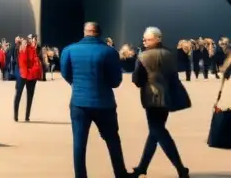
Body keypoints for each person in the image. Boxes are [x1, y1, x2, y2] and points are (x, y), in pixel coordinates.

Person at [60, 22, 130, 178]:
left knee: (79, 143)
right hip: (104, 102)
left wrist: (77, 84)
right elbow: (115, 81)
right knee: (112, 140)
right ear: (99, 33)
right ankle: (120, 173)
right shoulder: (109, 52)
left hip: (79, 103)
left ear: (85, 32)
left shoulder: (69, 50)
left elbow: (65, 74)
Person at [129, 27, 189, 178]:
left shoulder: (143, 56)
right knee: (155, 132)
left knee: (159, 132)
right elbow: (173, 76)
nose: (144, 41)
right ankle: (142, 167)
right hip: (167, 98)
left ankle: (181, 168)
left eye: (147, 39)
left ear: (157, 39)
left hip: (152, 99)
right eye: (144, 39)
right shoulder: (170, 54)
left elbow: (137, 80)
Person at [15, 36, 42, 122]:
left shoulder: (33, 49)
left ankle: (27, 116)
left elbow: (36, 62)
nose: (26, 44)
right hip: (23, 74)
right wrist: (28, 72)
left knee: (29, 96)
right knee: (18, 95)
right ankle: (16, 115)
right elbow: (21, 63)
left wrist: (30, 71)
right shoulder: (18, 50)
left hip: (29, 75)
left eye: (27, 42)